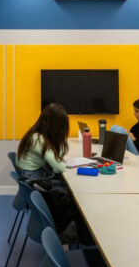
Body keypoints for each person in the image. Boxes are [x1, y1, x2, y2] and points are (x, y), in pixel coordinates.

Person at [16, 103, 90, 244]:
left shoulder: (36, 135)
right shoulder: (39, 139)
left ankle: (73, 227)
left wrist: (56, 145)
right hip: (34, 180)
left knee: (67, 187)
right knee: (70, 192)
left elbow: (58, 158)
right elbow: (58, 167)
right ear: (54, 126)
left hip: (32, 176)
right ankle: (70, 232)